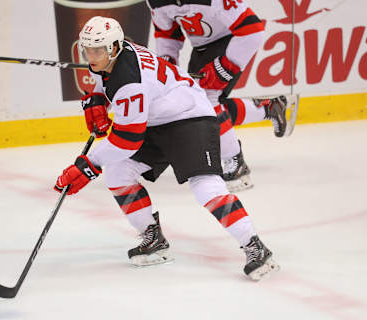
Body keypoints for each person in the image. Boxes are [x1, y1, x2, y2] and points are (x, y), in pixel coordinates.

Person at [53, 16, 279, 281]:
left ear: (114, 47)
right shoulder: (112, 56)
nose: (90, 55)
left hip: (191, 117)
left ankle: (255, 247)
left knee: (205, 186)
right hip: (158, 118)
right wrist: (96, 100)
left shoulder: (129, 80)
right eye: (87, 49)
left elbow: (127, 141)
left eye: (97, 49)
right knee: (117, 174)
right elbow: (106, 84)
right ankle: (153, 239)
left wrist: (88, 165)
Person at [146, 0, 296, 192]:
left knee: (206, 99)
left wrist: (224, 67)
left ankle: (236, 164)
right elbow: (167, 32)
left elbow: (252, 31)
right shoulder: (155, 2)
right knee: (201, 106)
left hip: (232, 41)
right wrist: (167, 64)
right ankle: (269, 108)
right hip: (202, 47)